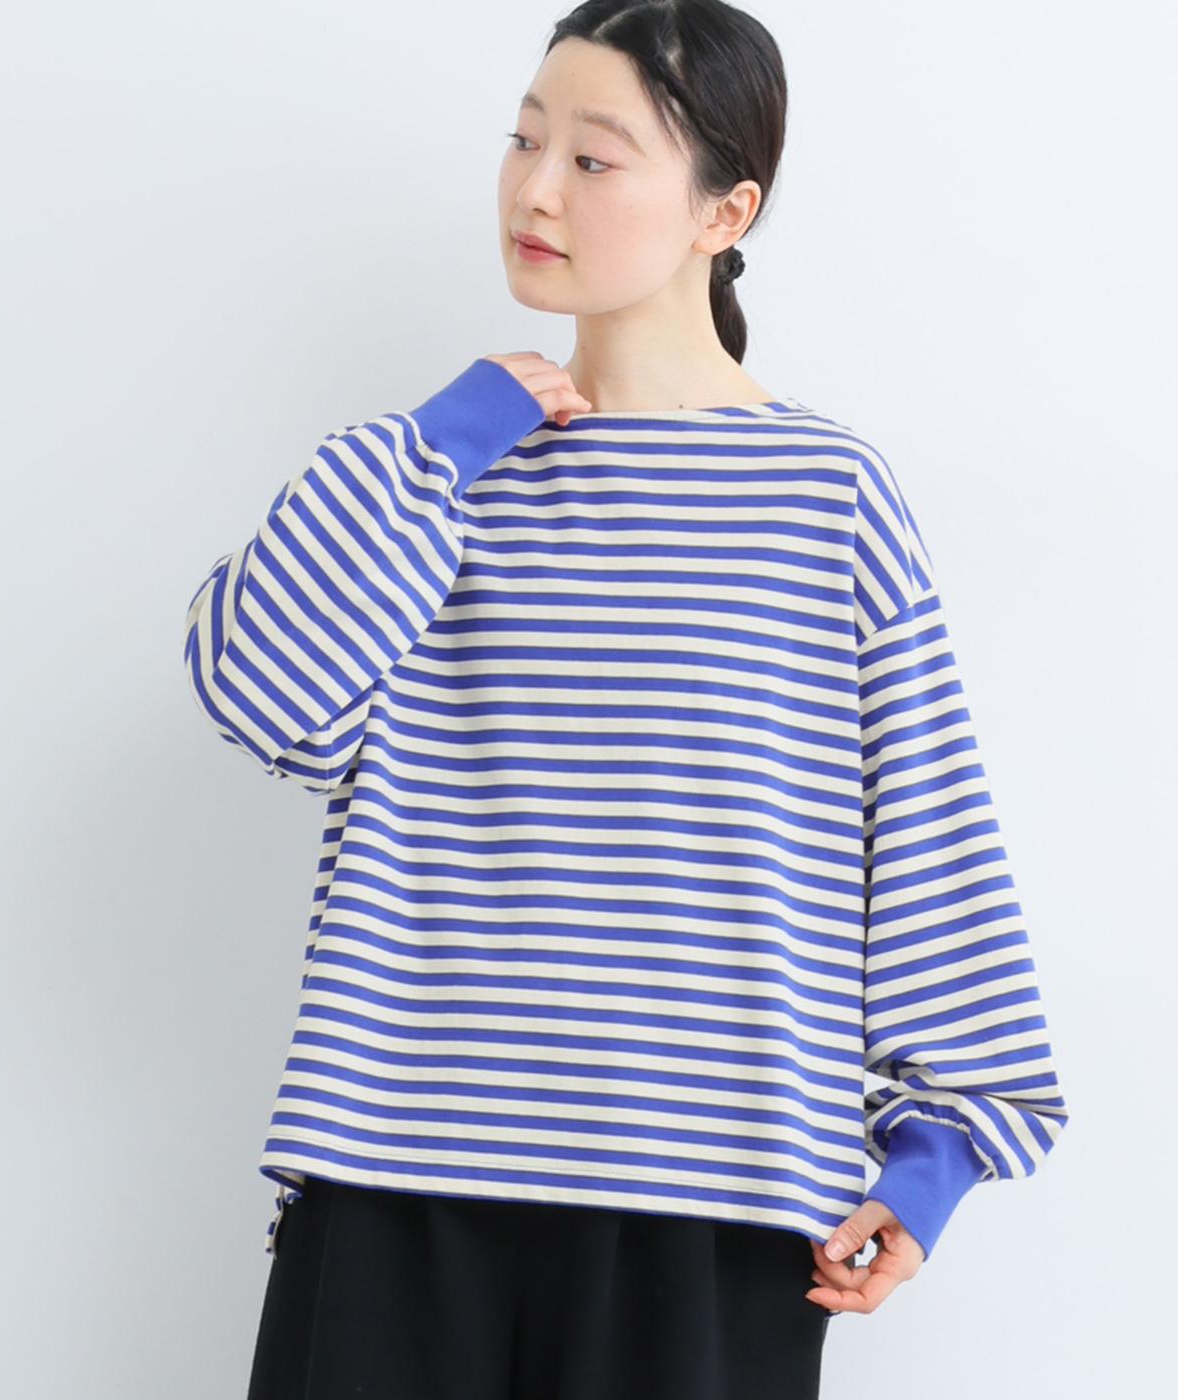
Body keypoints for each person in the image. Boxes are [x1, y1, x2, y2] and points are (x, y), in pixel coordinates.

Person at [182, 3, 1069, 1396]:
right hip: (399, 1182)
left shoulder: (826, 495)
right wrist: (445, 440)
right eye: (523, 141)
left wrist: (936, 1151)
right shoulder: (433, 471)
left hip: (711, 1213)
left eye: (594, 159)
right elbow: (258, 695)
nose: (535, 189)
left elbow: (927, 826)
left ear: (727, 210)